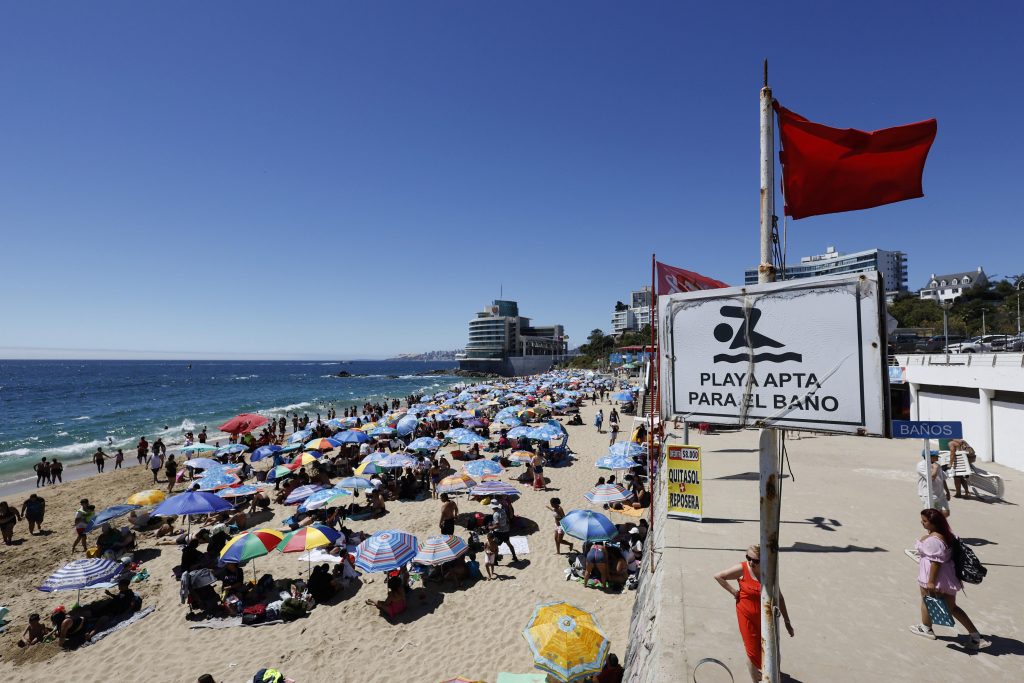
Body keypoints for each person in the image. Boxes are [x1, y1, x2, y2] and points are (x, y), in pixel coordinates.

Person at [909, 508, 991, 648]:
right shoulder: (947, 535)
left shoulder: (934, 541)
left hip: (934, 578)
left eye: (925, 521)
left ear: (934, 523)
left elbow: (936, 562)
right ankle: (976, 637)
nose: (922, 523)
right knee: (952, 608)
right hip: (948, 577)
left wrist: (931, 582)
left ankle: (926, 628)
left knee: (926, 601)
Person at [714, 544, 794, 682]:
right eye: (748, 558)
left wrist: (787, 622)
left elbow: (779, 598)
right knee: (752, 651)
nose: (751, 562)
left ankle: (768, 675)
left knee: (770, 648)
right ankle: (755, 680)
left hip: (765, 617)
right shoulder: (743, 568)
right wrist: (734, 591)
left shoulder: (769, 574)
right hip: (746, 616)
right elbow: (719, 576)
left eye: (755, 561)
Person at [917, 451, 950, 517]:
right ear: (929, 457)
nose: (938, 457)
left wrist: (947, 491)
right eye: (936, 456)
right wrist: (935, 468)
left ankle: (939, 525)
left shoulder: (937, 465)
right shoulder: (921, 465)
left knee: (946, 512)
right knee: (930, 515)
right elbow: (931, 478)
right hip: (928, 494)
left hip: (940, 494)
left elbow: (942, 479)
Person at [489, 500, 519, 564]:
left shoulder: (496, 514)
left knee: (496, 546)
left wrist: (490, 528)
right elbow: (507, 520)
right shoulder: (503, 510)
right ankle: (514, 556)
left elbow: (497, 525)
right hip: (506, 530)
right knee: (509, 544)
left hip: (499, 533)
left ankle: (495, 561)